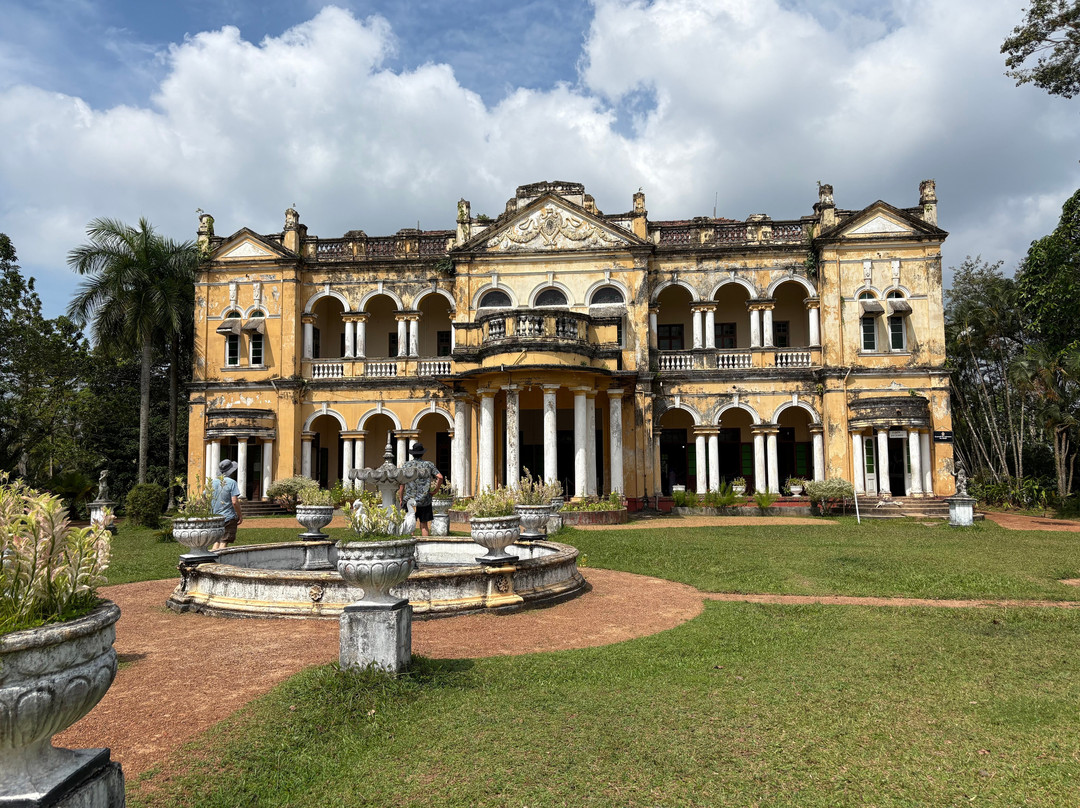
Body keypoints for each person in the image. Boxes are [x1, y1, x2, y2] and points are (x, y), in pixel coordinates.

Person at [398, 442, 443, 537]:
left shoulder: (407, 465)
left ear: (412, 454)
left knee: (410, 524)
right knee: (424, 525)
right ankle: (425, 548)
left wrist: (401, 498)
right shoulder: (428, 465)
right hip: (424, 499)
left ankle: (410, 547)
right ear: (422, 453)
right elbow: (440, 477)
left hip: (409, 499)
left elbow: (401, 483)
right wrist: (435, 491)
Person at [211, 459, 243, 551]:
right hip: (228, 517)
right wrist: (240, 515)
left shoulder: (212, 483)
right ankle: (219, 563)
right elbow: (234, 502)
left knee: (216, 541)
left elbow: (205, 496)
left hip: (215, 517)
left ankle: (209, 562)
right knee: (224, 542)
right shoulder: (232, 482)